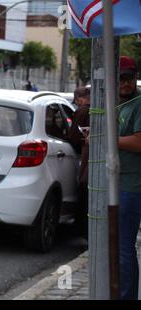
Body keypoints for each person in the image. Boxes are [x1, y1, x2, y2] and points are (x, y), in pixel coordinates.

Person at [116, 56, 141, 300]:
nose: (126, 83)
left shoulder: (138, 103)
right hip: (117, 185)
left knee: (123, 249)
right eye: (121, 78)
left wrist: (107, 140)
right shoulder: (119, 104)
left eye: (130, 78)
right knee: (118, 248)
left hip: (131, 187)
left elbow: (139, 141)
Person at [68, 87, 91, 239]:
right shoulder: (95, 110)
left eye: (77, 101)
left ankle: (82, 231)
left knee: (84, 189)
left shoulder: (82, 111)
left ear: (80, 99)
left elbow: (74, 137)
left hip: (87, 155)